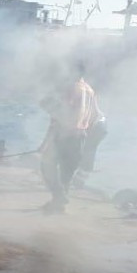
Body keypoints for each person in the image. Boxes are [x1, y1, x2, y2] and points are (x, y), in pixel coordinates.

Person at [39, 66, 99, 213]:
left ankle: (59, 196)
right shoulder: (90, 91)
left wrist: (45, 142)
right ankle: (59, 205)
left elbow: (59, 117)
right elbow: (95, 115)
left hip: (65, 134)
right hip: (80, 136)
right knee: (67, 173)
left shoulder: (72, 89)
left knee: (46, 165)